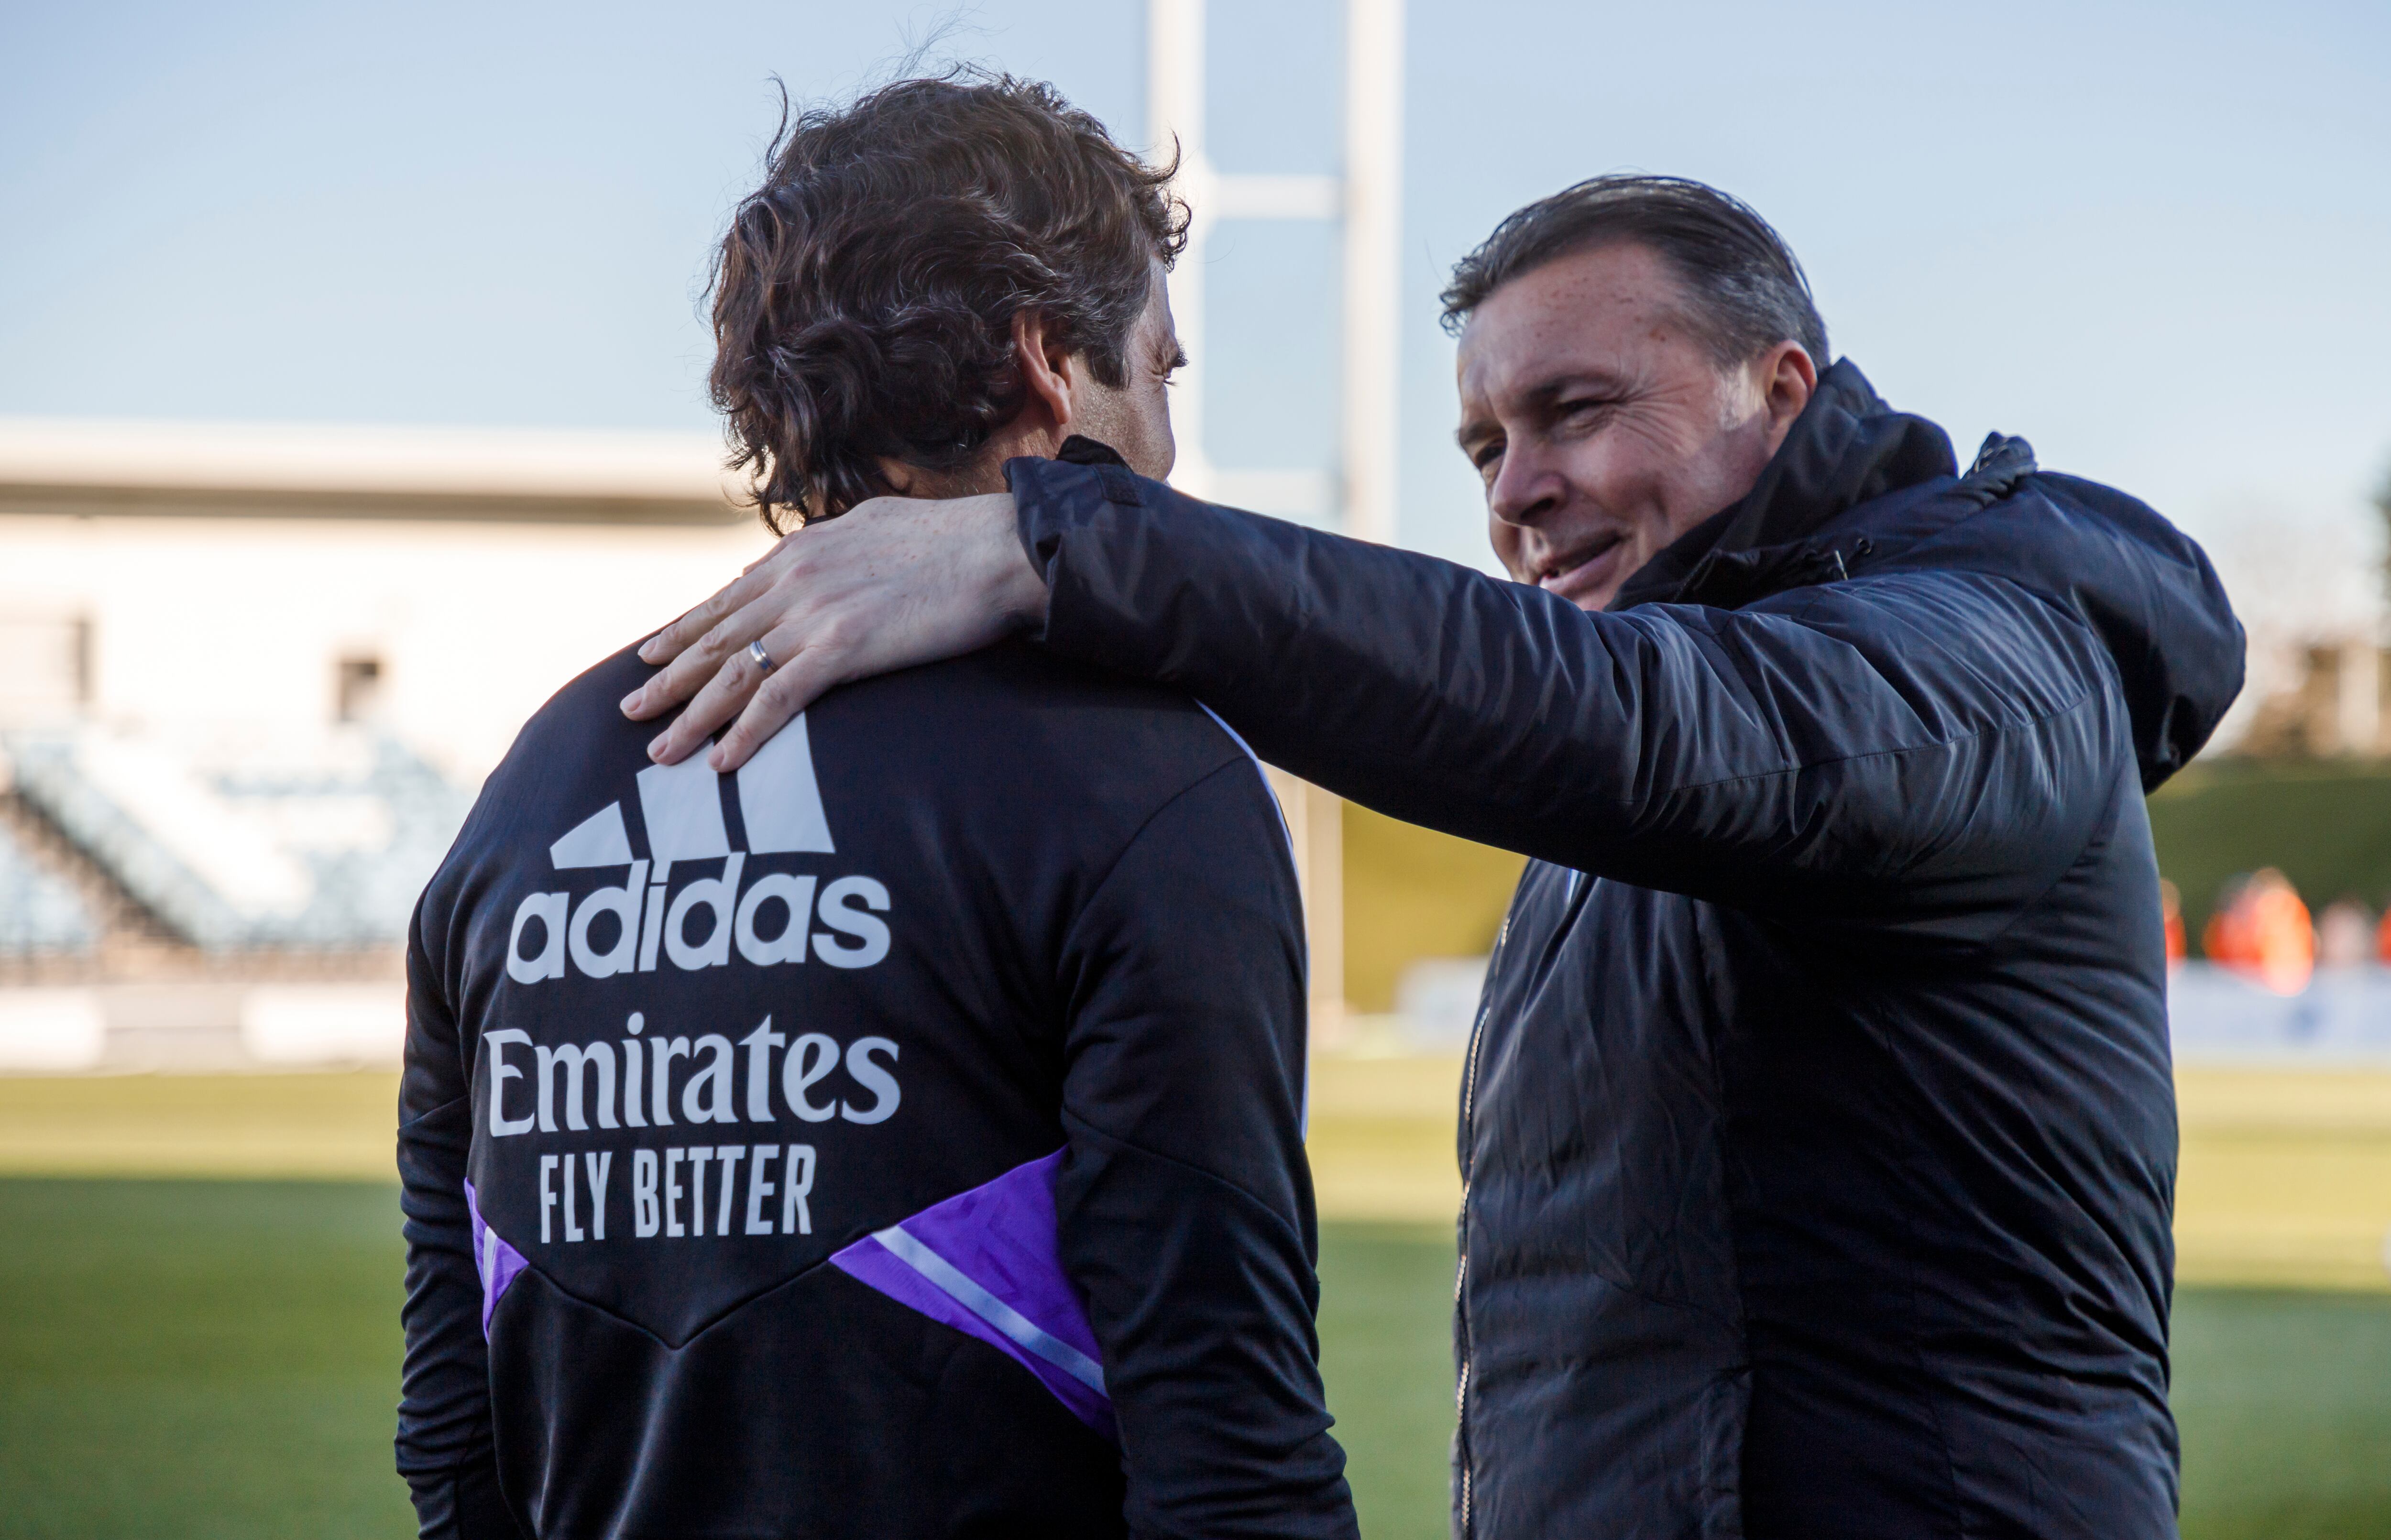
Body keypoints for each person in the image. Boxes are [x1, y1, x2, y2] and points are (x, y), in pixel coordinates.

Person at [625, 175, 2248, 1538]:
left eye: (1579, 411)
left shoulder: (1982, 647)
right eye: (1482, 449)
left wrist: (1058, 541)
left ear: (1783, 387)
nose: (1522, 495)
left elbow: (1652, 726)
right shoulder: (1662, 680)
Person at [397, 74, 1357, 1540]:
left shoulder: (540, 783)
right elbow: (1226, 1438)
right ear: (1051, 373)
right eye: (1160, 373)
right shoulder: (1146, 786)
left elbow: (454, 1420)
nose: (1163, 439)